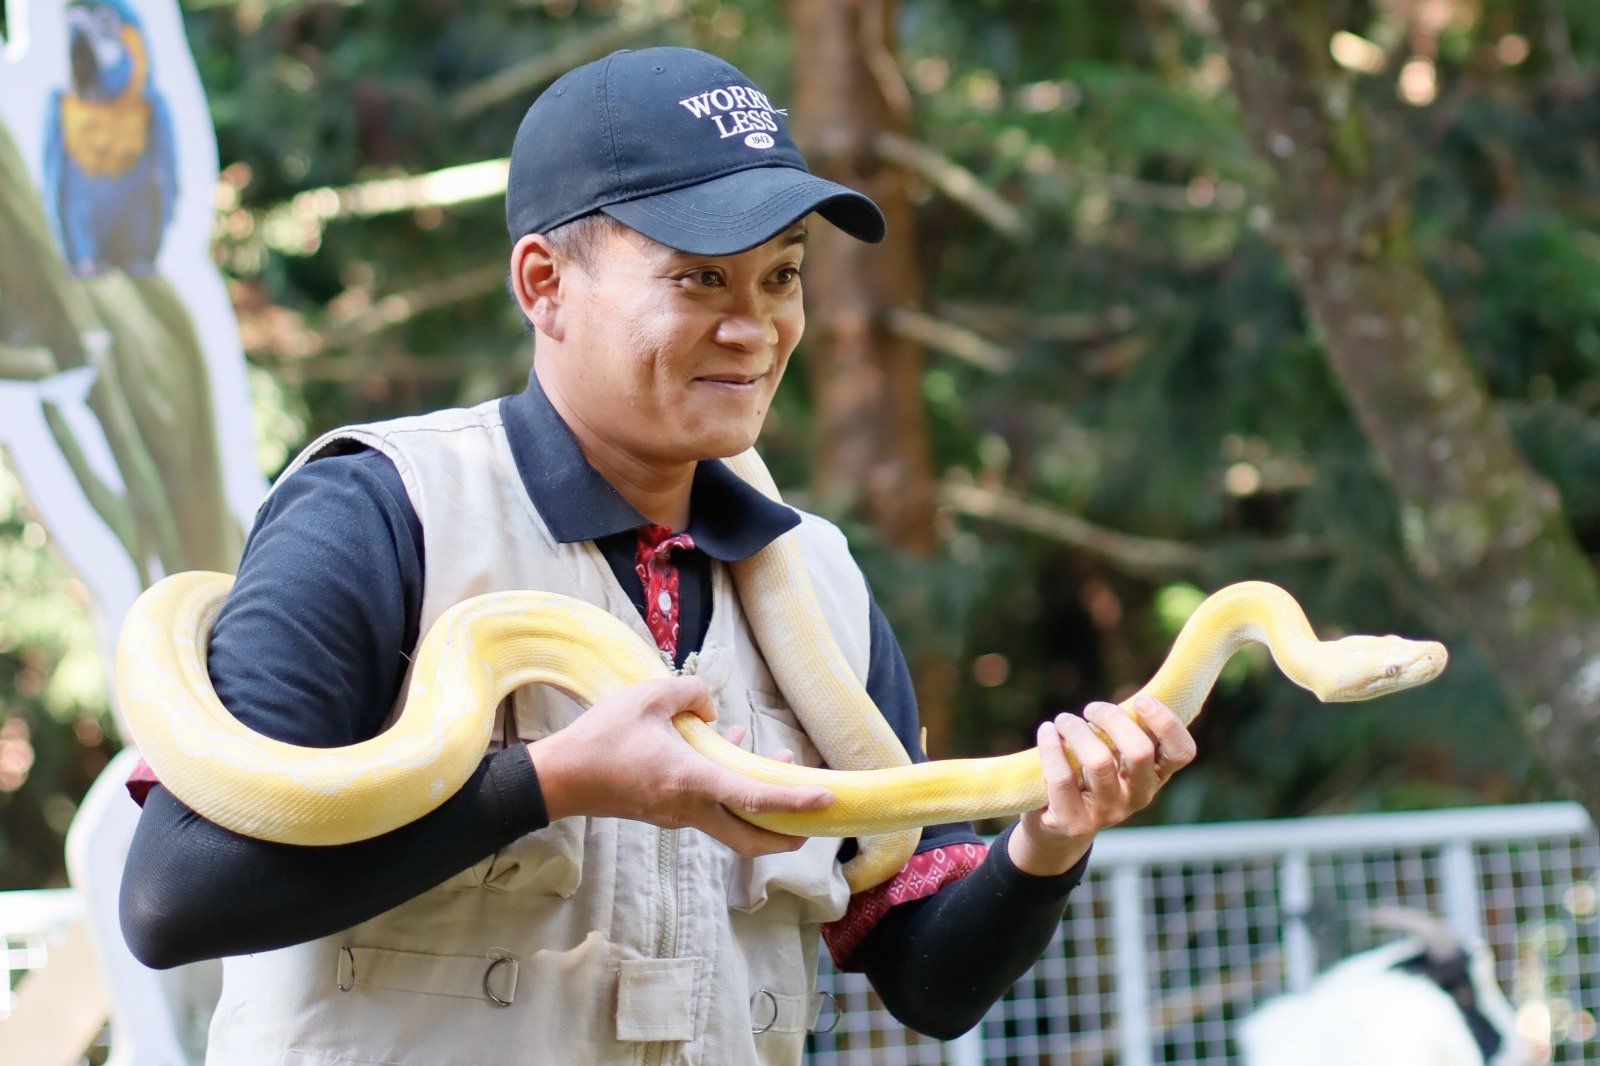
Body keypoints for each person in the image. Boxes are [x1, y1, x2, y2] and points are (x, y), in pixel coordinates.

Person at [119, 46, 1197, 1065]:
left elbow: (925, 978)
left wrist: (1052, 837)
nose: (755, 328)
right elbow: (177, 897)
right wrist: (551, 783)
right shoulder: (377, 510)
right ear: (543, 283)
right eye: (699, 281)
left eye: (781, 277)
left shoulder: (815, 578)